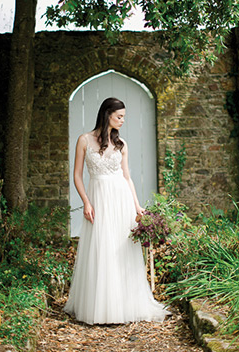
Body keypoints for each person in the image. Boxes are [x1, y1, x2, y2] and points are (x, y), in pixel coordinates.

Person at [63, 97, 168, 324]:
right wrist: (86, 202)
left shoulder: (122, 144)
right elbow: (77, 176)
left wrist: (137, 205)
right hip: (98, 199)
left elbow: (127, 177)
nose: (122, 121)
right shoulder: (84, 140)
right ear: (107, 114)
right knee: (102, 248)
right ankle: (100, 307)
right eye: (119, 116)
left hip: (121, 200)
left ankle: (125, 305)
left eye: (124, 117)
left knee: (122, 250)